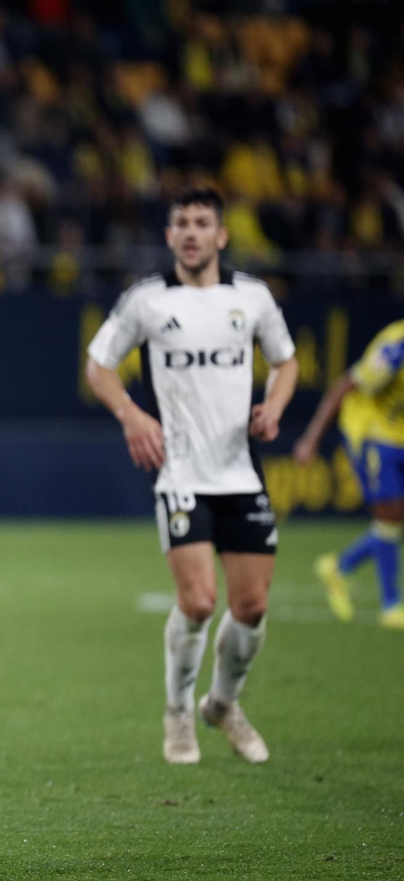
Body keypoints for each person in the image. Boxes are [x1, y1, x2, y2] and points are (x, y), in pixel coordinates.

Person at [84, 188, 296, 765]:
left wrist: (274, 406)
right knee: (200, 600)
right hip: (180, 473)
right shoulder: (146, 301)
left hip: (240, 474)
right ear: (170, 235)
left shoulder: (250, 297)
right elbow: (98, 364)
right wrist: (131, 415)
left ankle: (223, 704)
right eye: (182, 222)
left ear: (222, 235)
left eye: (204, 222)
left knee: (251, 606)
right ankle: (178, 712)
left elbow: (286, 360)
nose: (193, 231)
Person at [293, 319, 404, 628]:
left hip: (400, 432)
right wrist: (311, 438)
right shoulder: (396, 347)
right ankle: (392, 605)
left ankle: (339, 567)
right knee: (389, 512)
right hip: (370, 431)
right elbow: (345, 385)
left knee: (394, 520)